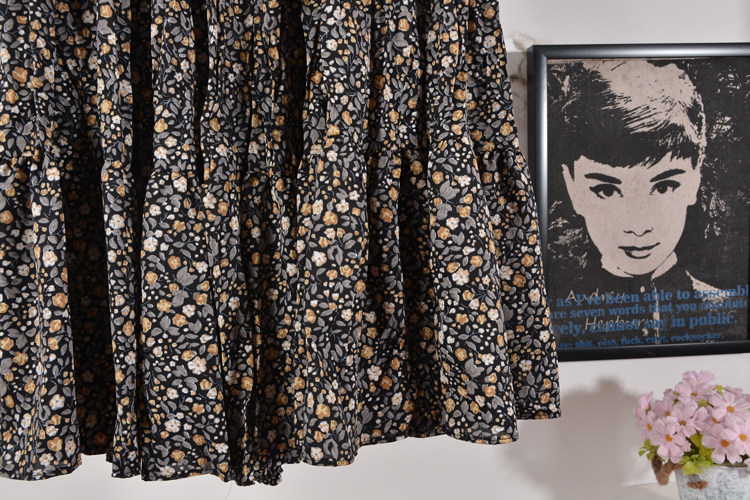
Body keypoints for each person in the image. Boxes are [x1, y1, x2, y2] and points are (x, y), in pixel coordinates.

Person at [548, 59, 746, 345]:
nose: (638, 226)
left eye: (664, 186)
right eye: (606, 190)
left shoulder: (732, 313)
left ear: (695, 179)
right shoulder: (551, 320)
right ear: (572, 187)